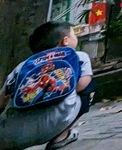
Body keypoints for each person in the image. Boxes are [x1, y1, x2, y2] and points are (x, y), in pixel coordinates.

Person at [0, 22, 94, 150]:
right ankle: (61, 137)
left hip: (10, 135)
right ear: (65, 41)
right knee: (90, 86)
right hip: (55, 124)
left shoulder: (22, 66)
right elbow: (81, 86)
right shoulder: (79, 57)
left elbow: (1, 101)